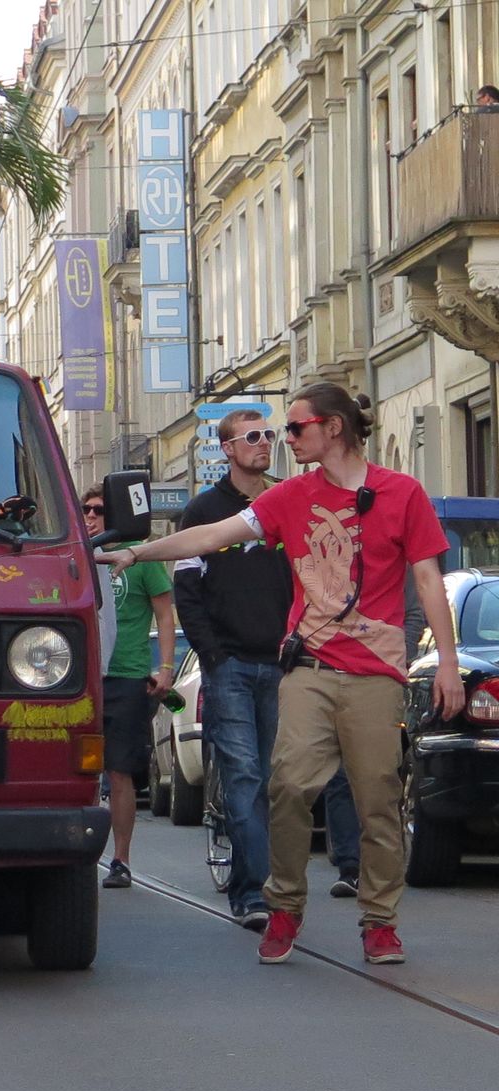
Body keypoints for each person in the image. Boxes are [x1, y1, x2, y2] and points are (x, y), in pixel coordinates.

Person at [102, 382, 464, 966]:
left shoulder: (402, 493)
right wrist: (136, 551)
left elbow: (426, 580)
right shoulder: (291, 497)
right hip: (308, 669)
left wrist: (447, 662)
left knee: (376, 798)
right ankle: (286, 906)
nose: (283, 439)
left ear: (333, 428)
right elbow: (214, 535)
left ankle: (380, 921)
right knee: (289, 787)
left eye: (294, 428)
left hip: (375, 673)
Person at [172, 411, 289, 930]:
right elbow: (186, 593)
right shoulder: (202, 512)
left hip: (285, 664)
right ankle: (253, 894)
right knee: (244, 779)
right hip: (232, 667)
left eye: (270, 435)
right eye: (253, 437)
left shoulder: (286, 502)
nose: (265, 444)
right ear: (227, 449)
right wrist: (213, 657)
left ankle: (266, 881)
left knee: (277, 782)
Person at [84, 485, 174, 890]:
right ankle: (73, 852)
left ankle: (120, 859)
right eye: (85, 511)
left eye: (99, 511)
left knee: (119, 771)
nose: (90, 518)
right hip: (80, 677)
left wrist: (167, 666)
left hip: (126, 675)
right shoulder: (75, 553)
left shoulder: (141, 556)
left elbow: (164, 613)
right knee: (77, 771)